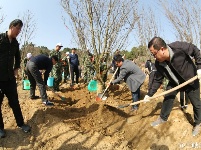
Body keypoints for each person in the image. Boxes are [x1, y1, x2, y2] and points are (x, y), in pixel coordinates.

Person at [144, 36, 201, 136]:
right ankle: (163, 118)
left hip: (190, 80)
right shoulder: (158, 64)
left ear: (162, 49)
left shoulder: (179, 47)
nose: (154, 57)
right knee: (168, 96)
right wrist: (149, 94)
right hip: (175, 82)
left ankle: (198, 123)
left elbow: (195, 50)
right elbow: (158, 80)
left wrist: (199, 67)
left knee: (196, 104)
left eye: (154, 54)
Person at [0, 19, 31, 138]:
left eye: (20, 29)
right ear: (12, 26)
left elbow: (17, 58)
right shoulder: (0, 38)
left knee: (15, 102)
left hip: (10, 78)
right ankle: (1, 128)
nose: (19, 31)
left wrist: (16, 68)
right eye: (18, 28)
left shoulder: (15, 43)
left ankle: (21, 123)